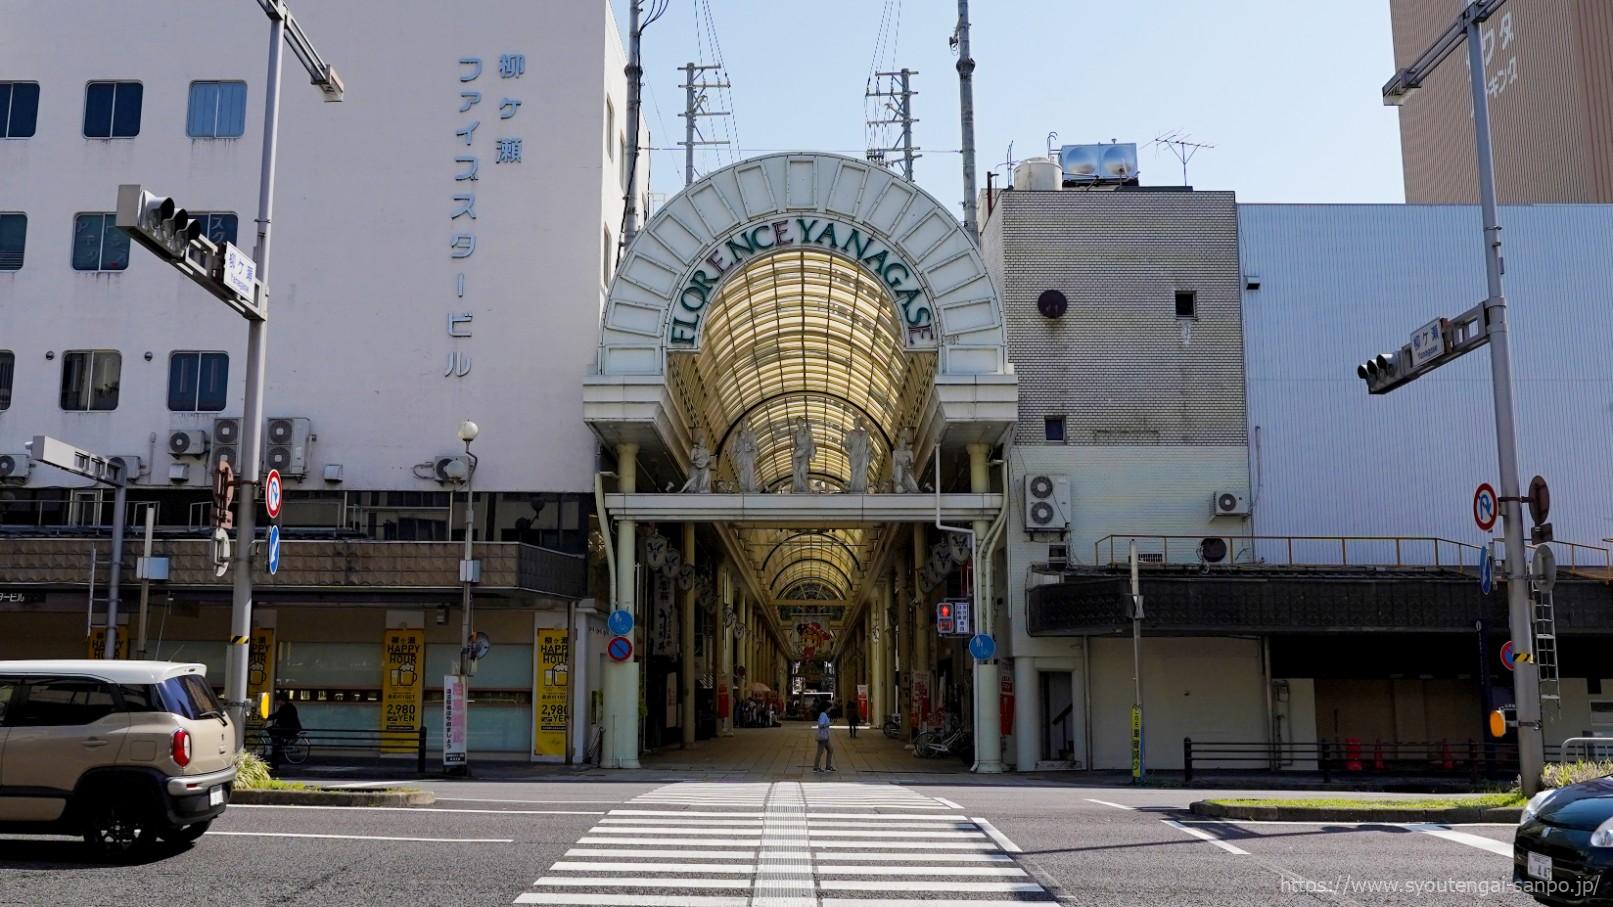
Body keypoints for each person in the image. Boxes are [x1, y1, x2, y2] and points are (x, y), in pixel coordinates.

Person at [267, 692, 301, 771]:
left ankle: (274, 765)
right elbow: (279, 717)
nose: (276, 702)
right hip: (291, 728)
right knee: (275, 737)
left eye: (277, 700)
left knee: (276, 745)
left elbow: (277, 716)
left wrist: (266, 717)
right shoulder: (289, 706)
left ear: (282, 700)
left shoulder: (285, 708)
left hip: (289, 729)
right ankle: (279, 744)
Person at [813, 703, 835, 772]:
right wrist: (829, 724)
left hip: (825, 736)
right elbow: (821, 725)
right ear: (826, 708)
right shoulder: (823, 714)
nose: (830, 709)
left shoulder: (824, 714)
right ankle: (816, 767)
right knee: (820, 752)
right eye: (829, 708)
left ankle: (828, 766)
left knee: (830, 750)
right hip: (823, 736)